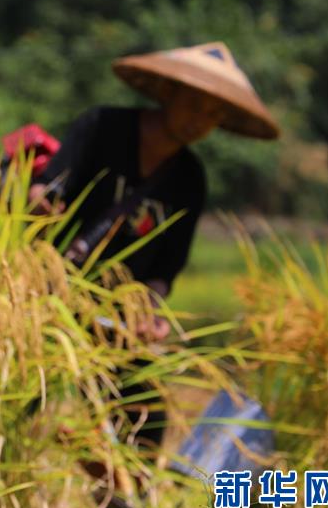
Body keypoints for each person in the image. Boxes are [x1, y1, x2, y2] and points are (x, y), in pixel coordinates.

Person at [30, 42, 279, 448]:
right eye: (196, 105)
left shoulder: (189, 179)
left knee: (143, 416)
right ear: (171, 93)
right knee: (24, 387)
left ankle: (128, 500)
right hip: (49, 294)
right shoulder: (102, 128)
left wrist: (148, 310)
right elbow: (47, 195)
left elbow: (166, 268)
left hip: (113, 317)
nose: (202, 120)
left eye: (215, 114)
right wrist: (36, 201)